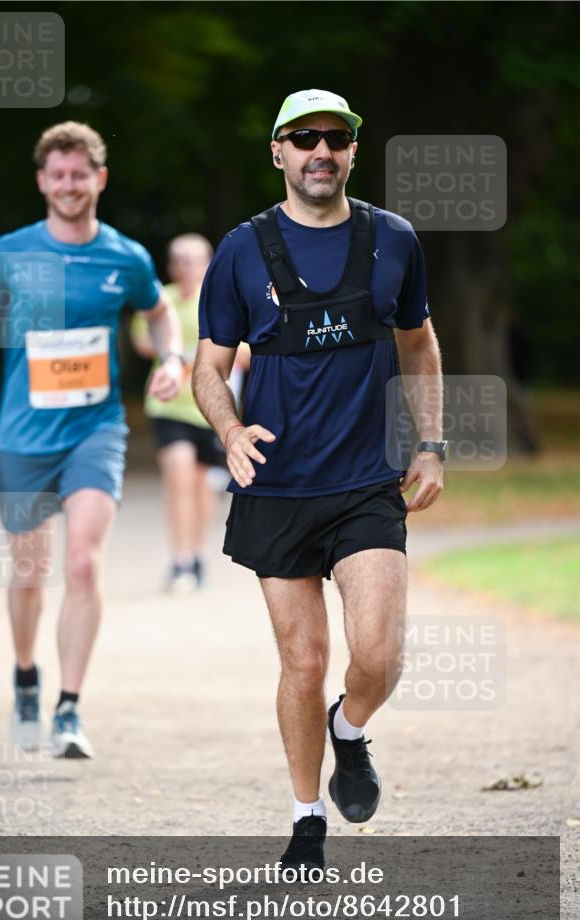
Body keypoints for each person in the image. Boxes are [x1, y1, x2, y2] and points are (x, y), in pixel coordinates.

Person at [192, 90, 445, 874]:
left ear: (352, 152)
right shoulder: (240, 251)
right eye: (303, 138)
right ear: (277, 152)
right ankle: (306, 820)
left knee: (377, 653)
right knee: (301, 661)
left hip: (367, 479)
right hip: (276, 486)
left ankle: (351, 726)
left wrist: (430, 443)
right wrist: (229, 430)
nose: (320, 151)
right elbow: (206, 366)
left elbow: (420, 345)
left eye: (335, 138)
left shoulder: (392, 240)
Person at [0, 121, 183, 759]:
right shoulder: (10, 251)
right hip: (23, 437)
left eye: (80, 174)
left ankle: (69, 708)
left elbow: (158, 310)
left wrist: (172, 358)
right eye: (58, 175)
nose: (69, 185)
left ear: (99, 179)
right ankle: (24, 675)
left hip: (96, 431)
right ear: (43, 181)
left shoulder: (126, 257)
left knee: (82, 563)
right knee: (30, 568)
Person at [131, 234, 223, 593]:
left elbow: (245, 350)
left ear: (208, 262)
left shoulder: (220, 298)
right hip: (168, 404)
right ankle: (180, 559)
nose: (187, 266)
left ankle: (198, 554)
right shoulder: (160, 299)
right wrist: (176, 354)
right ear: (171, 266)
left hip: (211, 408)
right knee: (179, 478)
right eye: (180, 260)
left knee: (204, 488)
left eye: (194, 259)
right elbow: (140, 340)